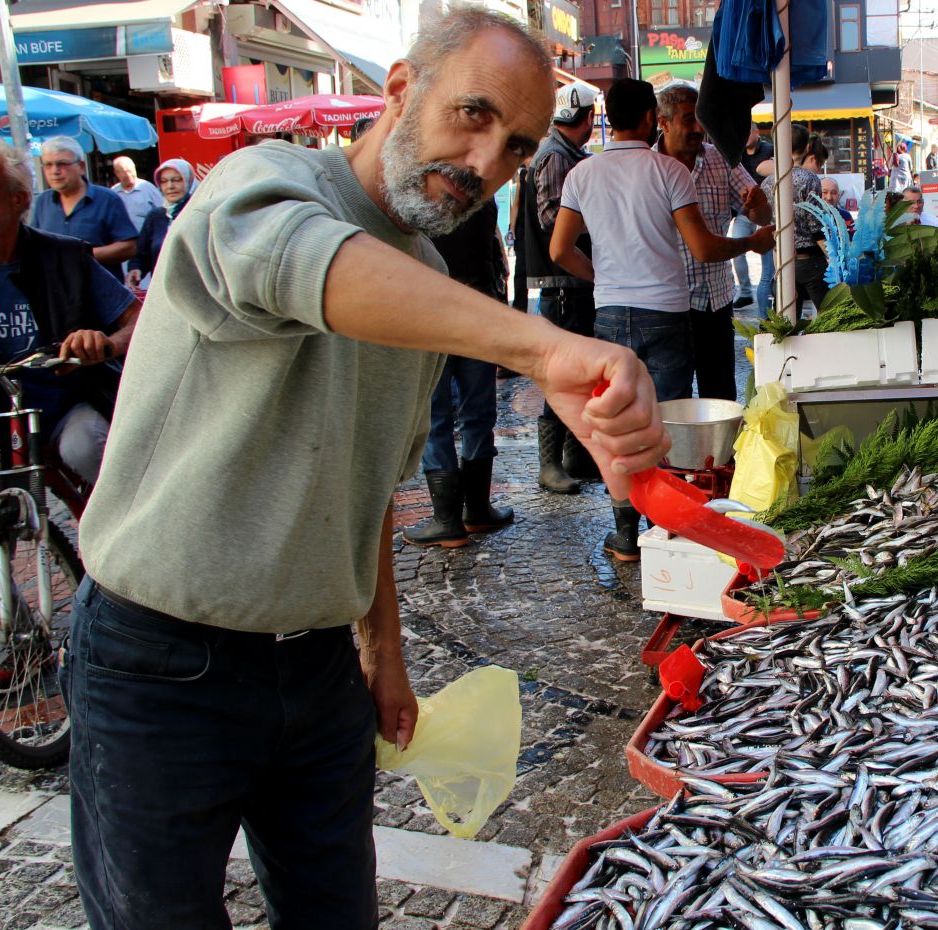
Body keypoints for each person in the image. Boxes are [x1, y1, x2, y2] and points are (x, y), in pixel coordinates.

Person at [66, 11, 669, 928]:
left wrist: (383, 654)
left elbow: (369, 488)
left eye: (516, 147)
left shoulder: (423, 274)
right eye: (472, 113)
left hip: (316, 672)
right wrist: (542, 349)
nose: (485, 162)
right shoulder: (262, 181)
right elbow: (299, 262)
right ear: (399, 89)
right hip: (159, 662)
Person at [550, 78, 771, 561]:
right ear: (653, 118)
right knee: (664, 427)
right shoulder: (668, 171)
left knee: (620, 424)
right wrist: (751, 243)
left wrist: (602, 278)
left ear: (607, 118)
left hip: (610, 315)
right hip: (667, 314)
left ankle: (625, 534)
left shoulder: (582, 173)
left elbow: (559, 250)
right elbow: (703, 248)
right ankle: (663, 530)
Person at [0, 139, 140, 694]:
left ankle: (141, 559)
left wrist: (104, 343)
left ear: (18, 199)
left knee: (90, 447)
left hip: (63, 405)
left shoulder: (64, 257)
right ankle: (26, 646)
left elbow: (137, 320)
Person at [402, 199, 516, 547]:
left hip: (431, 312)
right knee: (477, 414)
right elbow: (492, 257)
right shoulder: (481, 199)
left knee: (437, 416)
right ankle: (476, 511)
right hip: (477, 311)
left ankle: (447, 519)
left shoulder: (420, 200)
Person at [656, 83, 771, 402]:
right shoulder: (648, 166)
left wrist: (757, 204)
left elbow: (762, 215)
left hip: (715, 302)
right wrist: (751, 242)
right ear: (663, 122)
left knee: (720, 400)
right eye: (688, 120)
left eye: (700, 120)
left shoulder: (719, 159)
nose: (697, 128)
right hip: (667, 306)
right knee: (671, 402)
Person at [516, 81, 601, 494]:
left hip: (568, 280)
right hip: (562, 282)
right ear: (588, 118)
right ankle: (549, 464)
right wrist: (599, 218)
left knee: (577, 372)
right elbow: (553, 220)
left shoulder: (564, 153)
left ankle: (574, 455)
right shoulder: (555, 156)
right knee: (562, 372)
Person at [30, 137, 138, 276]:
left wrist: (82, 255)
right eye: (48, 165)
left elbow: (129, 247)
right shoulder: (42, 202)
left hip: (99, 287)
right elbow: (33, 246)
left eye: (62, 163)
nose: (54, 171)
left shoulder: (107, 200)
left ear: (81, 167)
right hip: (56, 287)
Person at [760, 124, 829, 312]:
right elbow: (815, 225)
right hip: (810, 260)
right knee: (829, 315)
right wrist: (832, 255)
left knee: (786, 320)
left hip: (782, 259)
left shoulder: (768, 182)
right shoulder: (810, 179)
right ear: (807, 148)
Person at [125, 158, 194, 293]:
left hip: (195, 293)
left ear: (189, 181)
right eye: (164, 181)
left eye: (176, 180)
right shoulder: (156, 216)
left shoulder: (199, 213)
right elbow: (141, 255)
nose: (170, 186)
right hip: (161, 294)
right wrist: (136, 269)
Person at [732, 124, 774, 310]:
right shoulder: (737, 154)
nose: (746, 136)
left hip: (765, 210)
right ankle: (745, 291)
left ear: (757, 133)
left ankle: (767, 309)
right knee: (736, 249)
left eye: (749, 132)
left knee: (767, 263)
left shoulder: (769, 150)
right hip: (743, 212)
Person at [109, 155, 163, 230]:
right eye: (124, 172)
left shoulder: (148, 188)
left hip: (147, 235)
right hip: (123, 236)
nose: (128, 175)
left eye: (130, 171)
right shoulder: (114, 192)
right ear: (116, 173)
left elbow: (163, 211)